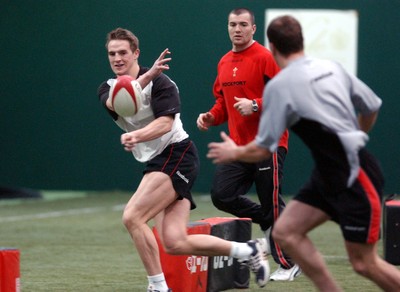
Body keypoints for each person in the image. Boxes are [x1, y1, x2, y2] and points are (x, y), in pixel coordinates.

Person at [207, 15, 400, 292]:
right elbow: (371, 106)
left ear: (271, 47)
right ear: (301, 41)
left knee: (364, 263)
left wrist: (233, 151)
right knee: (285, 232)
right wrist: (357, 135)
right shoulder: (331, 66)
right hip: (327, 175)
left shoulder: (280, 87)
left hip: (355, 175)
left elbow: (263, 148)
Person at [97, 27, 270, 292]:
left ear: (136, 54)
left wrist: (138, 135)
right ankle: (247, 250)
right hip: (159, 160)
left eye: (123, 52)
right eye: (112, 53)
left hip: (177, 155)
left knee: (132, 217)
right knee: (175, 243)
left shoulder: (163, 83)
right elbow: (117, 103)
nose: (117, 58)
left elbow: (165, 124)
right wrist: (145, 78)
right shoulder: (107, 88)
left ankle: (158, 287)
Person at [196, 8, 300, 281]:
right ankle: (272, 219)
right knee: (222, 194)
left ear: (254, 29)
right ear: (227, 27)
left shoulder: (265, 57)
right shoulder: (224, 62)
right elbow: (223, 103)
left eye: (243, 24)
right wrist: (210, 116)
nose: (237, 29)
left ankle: (290, 263)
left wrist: (255, 104)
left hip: (269, 143)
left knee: (271, 203)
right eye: (232, 24)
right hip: (239, 148)